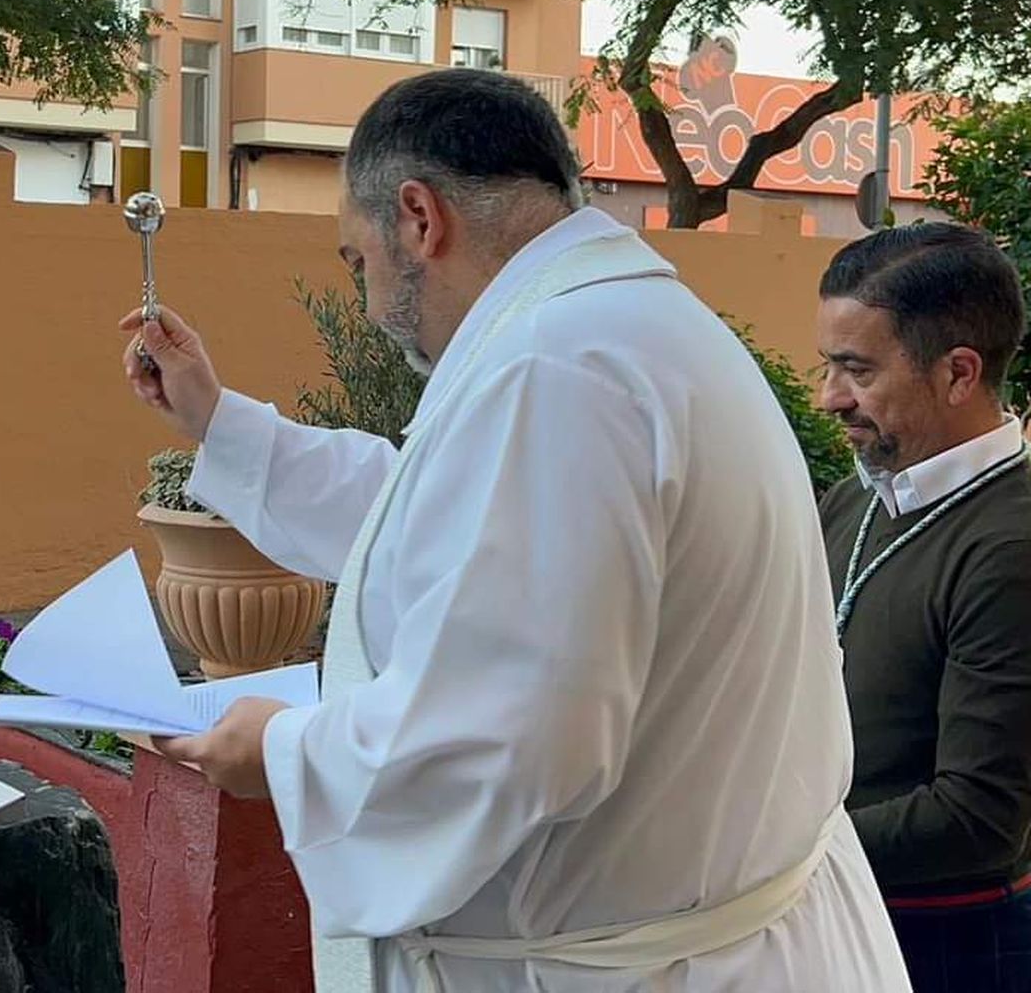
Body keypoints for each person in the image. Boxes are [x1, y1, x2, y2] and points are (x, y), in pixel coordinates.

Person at [119, 68, 907, 992]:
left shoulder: (558, 369)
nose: (369, 304)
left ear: (420, 218)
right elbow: (428, 520)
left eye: (357, 262)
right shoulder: (617, 328)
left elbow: (510, 739)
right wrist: (220, 421)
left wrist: (281, 751)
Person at [816, 224, 1031, 992]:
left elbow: (977, 817)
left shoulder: (1012, 545)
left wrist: (773, 846)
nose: (830, 398)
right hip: (837, 908)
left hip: (944, 939)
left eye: (856, 370)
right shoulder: (853, 499)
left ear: (959, 373)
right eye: (828, 366)